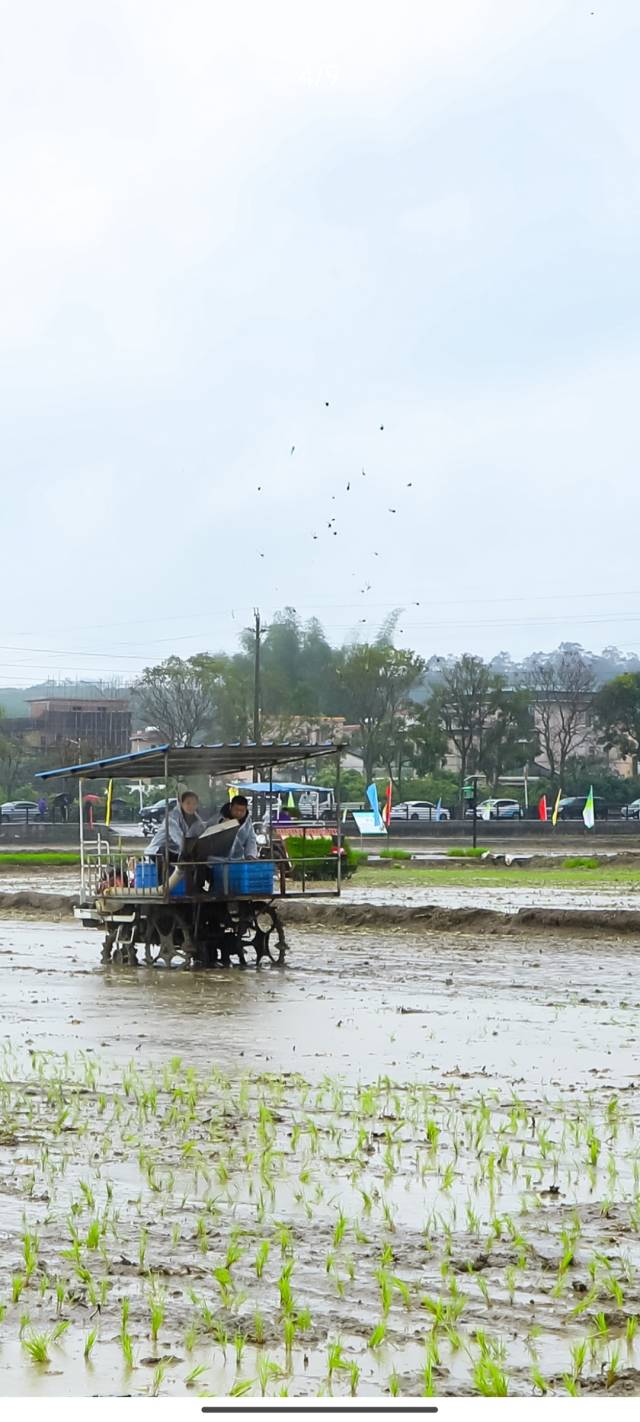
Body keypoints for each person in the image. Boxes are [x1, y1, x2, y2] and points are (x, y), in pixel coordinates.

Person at [145, 791, 206, 883]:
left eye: (194, 804)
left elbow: (201, 836)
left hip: (178, 851)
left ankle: (197, 887)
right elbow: (179, 839)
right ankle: (164, 887)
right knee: (163, 852)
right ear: (181, 803)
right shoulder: (172, 817)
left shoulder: (198, 821)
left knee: (201, 857)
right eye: (188, 803)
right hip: (159, 850)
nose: (191, 806)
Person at [219, 794, 258, 859]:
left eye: (242, 811)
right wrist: (221, 826)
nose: (239, 813)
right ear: (230, 807)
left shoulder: (247, 822)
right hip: (217, 861)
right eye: (236, 810)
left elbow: (251, 840)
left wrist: (250, 855)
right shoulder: (219, 818)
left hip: (238, 861)